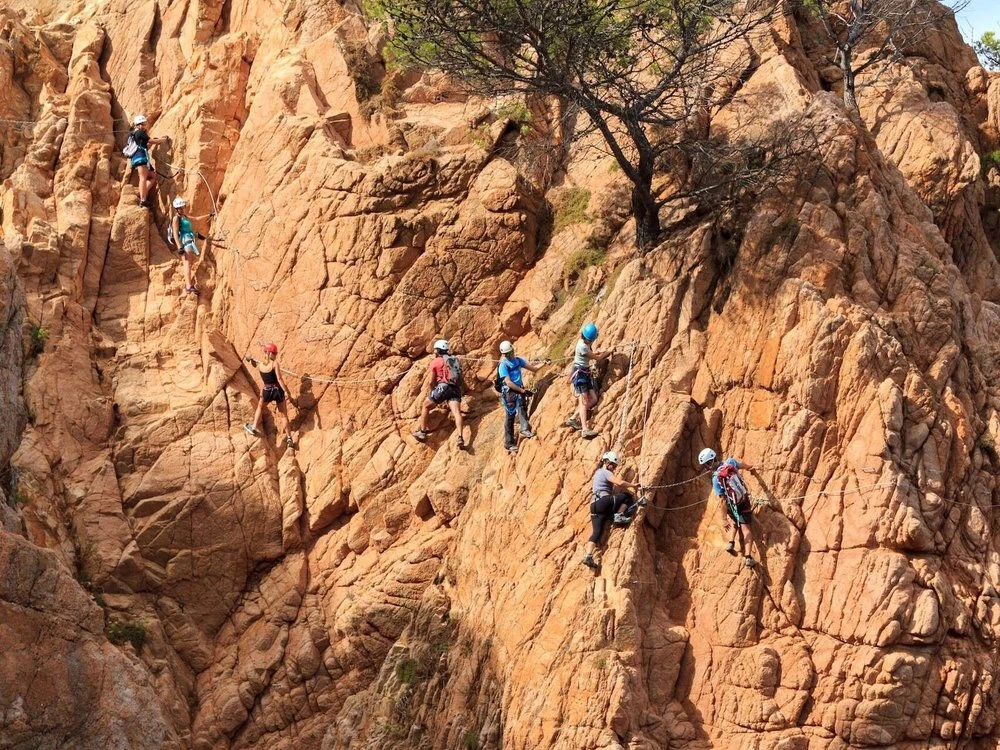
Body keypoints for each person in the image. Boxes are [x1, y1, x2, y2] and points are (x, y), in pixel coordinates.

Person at [582, 451, 644, 570]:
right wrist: (633, 486)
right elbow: (619, 482)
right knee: (627, 496)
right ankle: (619, 515)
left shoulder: (598, 473)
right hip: (603, 502)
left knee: (597, 533)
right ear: (606, 462)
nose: (613, 468)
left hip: (594, 505)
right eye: (612, 465)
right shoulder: (604, 472)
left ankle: (588, 556)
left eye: (615, 466)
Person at [699, 448, 757, 568]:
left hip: (732, 505)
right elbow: (742, 465)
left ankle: (733, 545)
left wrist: (724, 519)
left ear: (709, 463)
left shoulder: (715, 479)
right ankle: (747, 557)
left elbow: (722, 500)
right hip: (743, 500)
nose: (706, 468)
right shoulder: (730, 462)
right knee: (746, 529)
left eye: (706, 465)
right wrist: (751, 467)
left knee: (735, 521)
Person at [497, 340, 549, 454]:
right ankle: (509, 443)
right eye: (508, 353)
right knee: (510, 416)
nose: (511, 355)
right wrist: (522, 391)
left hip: (519, 388)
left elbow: (533, 368)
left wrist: (544, 363)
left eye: (511, 352)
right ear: (504, 354)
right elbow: (508, 382)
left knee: (522, 407)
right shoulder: (503, 365)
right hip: (509, 392)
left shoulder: (518, 360)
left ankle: (524, 429)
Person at [413, 339, 466, 449]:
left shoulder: (436, 361)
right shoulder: (453, 359)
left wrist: (433, 391)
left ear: (438, 350)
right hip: (455, 388)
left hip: (443, 387)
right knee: (456, 412)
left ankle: (422, 432)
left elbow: (431, 381)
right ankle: (460, 436)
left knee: (426, 406)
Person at [244, 343, 295, 448]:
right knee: (284, 416)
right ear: (270, 353)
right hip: (278, 391)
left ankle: (253, 427)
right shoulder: (274, 364)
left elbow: (254, 364)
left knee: (260, 407)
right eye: (275, 353)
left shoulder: (261, 364)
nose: (276, 355)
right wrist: (285, 391)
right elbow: (279, 379)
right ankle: (289, 439)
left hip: (267, 391)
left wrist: (250, 359)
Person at [566, 322, 610, 440]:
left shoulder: (584, 343)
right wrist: (608, 352)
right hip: (580, 375)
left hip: (584, 373)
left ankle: (573, 418)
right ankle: (584, 429)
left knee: (594, 398)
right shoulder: (583, 347)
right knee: (584, 401)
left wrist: (596, 352)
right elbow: (598, 358)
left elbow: (590, 354)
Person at [127, 114, 168, 207]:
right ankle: (143, 199)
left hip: (139, 157)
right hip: (140, 157)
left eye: (143, 124)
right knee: (143, 178)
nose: (142, 126)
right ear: (138, 125)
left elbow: (146, 146)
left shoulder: (136, 134)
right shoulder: (140, 133)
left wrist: (155, 143)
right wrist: (162, 140)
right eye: (141, 124)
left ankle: (143, 192)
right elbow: (151, 141)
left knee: (152, 176)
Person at [170, 197, 208, 294]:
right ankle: (188, 286)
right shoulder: (176, 218)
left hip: (190, 240)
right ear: (177, 209)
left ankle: (189, 285)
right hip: (185, 242)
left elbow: (196, 219)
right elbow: (175, 233)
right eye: (181, 208)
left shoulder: (184, 216)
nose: (183, 209)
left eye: (183, 207)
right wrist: (179, 247)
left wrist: (209, 215)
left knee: (189, 264)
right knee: (187, 264)